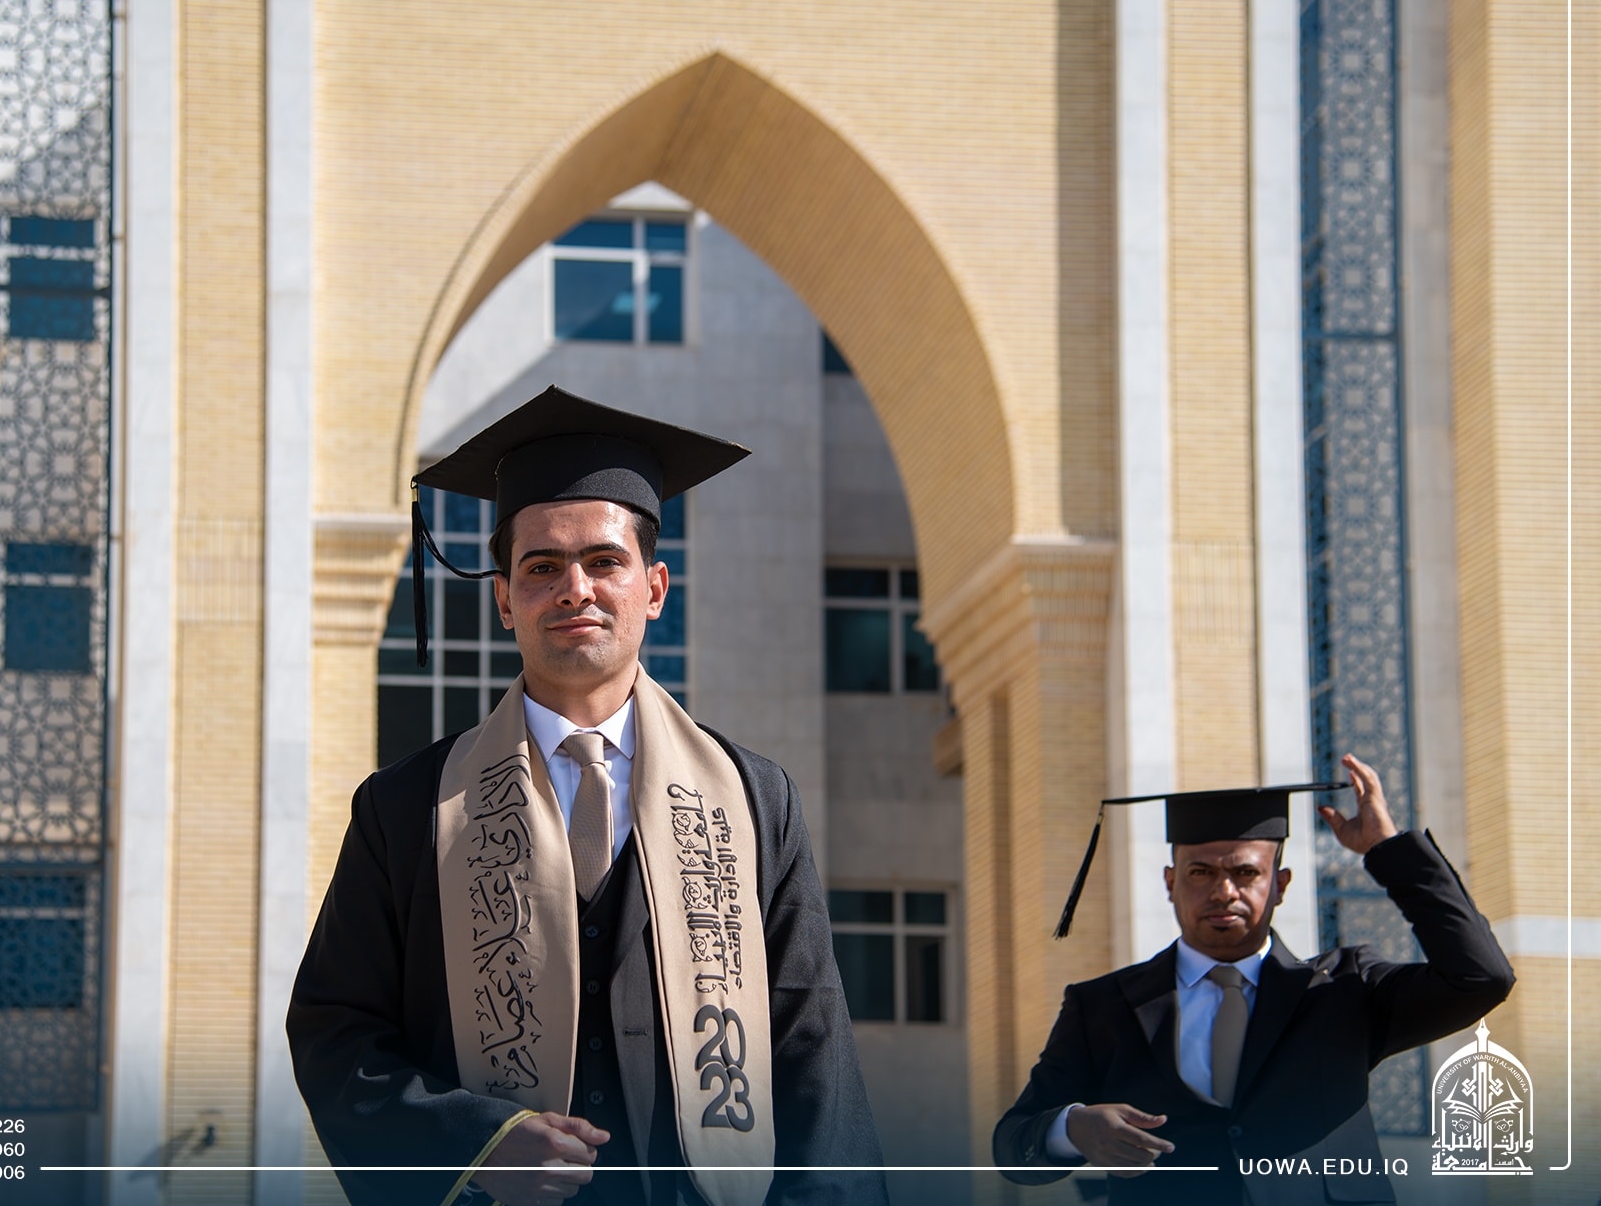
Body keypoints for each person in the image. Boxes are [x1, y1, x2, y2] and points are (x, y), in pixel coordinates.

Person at [288, 386, 888, 1206]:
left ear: (655, 589)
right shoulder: (408, 809)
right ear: (505, 599)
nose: (575, 589)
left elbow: (811, 1044)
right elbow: (336, 1035)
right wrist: (472, 1142)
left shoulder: (752, 799)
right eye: (542, 567)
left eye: (605, 562)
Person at [993, 755, 1515, 1205]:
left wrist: (1389, 850)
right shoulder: (1103, 1006)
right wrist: (1072, 1128)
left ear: (1280, 885)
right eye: (1200, 873)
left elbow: (1482, 977)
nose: (1223, 891)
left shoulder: (1344, 990)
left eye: (1245, 873)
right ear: (1170, 883)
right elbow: (1013, 1146)